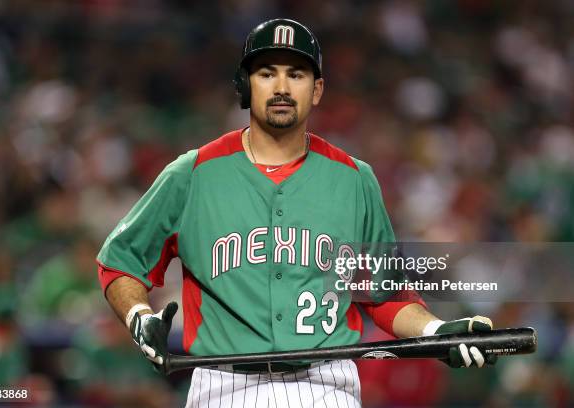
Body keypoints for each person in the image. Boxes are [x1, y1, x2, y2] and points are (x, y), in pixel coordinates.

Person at [96, 18, 496, 408]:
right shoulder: (193, 173)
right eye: (267, 73)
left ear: (317, 89)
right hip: (222, 386)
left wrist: (438, 331)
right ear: (244, 85)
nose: (282, 87)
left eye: (298, 74)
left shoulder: (355, 179)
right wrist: (138, 316)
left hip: (326, 386)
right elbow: (121, 262)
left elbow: (385, 297)